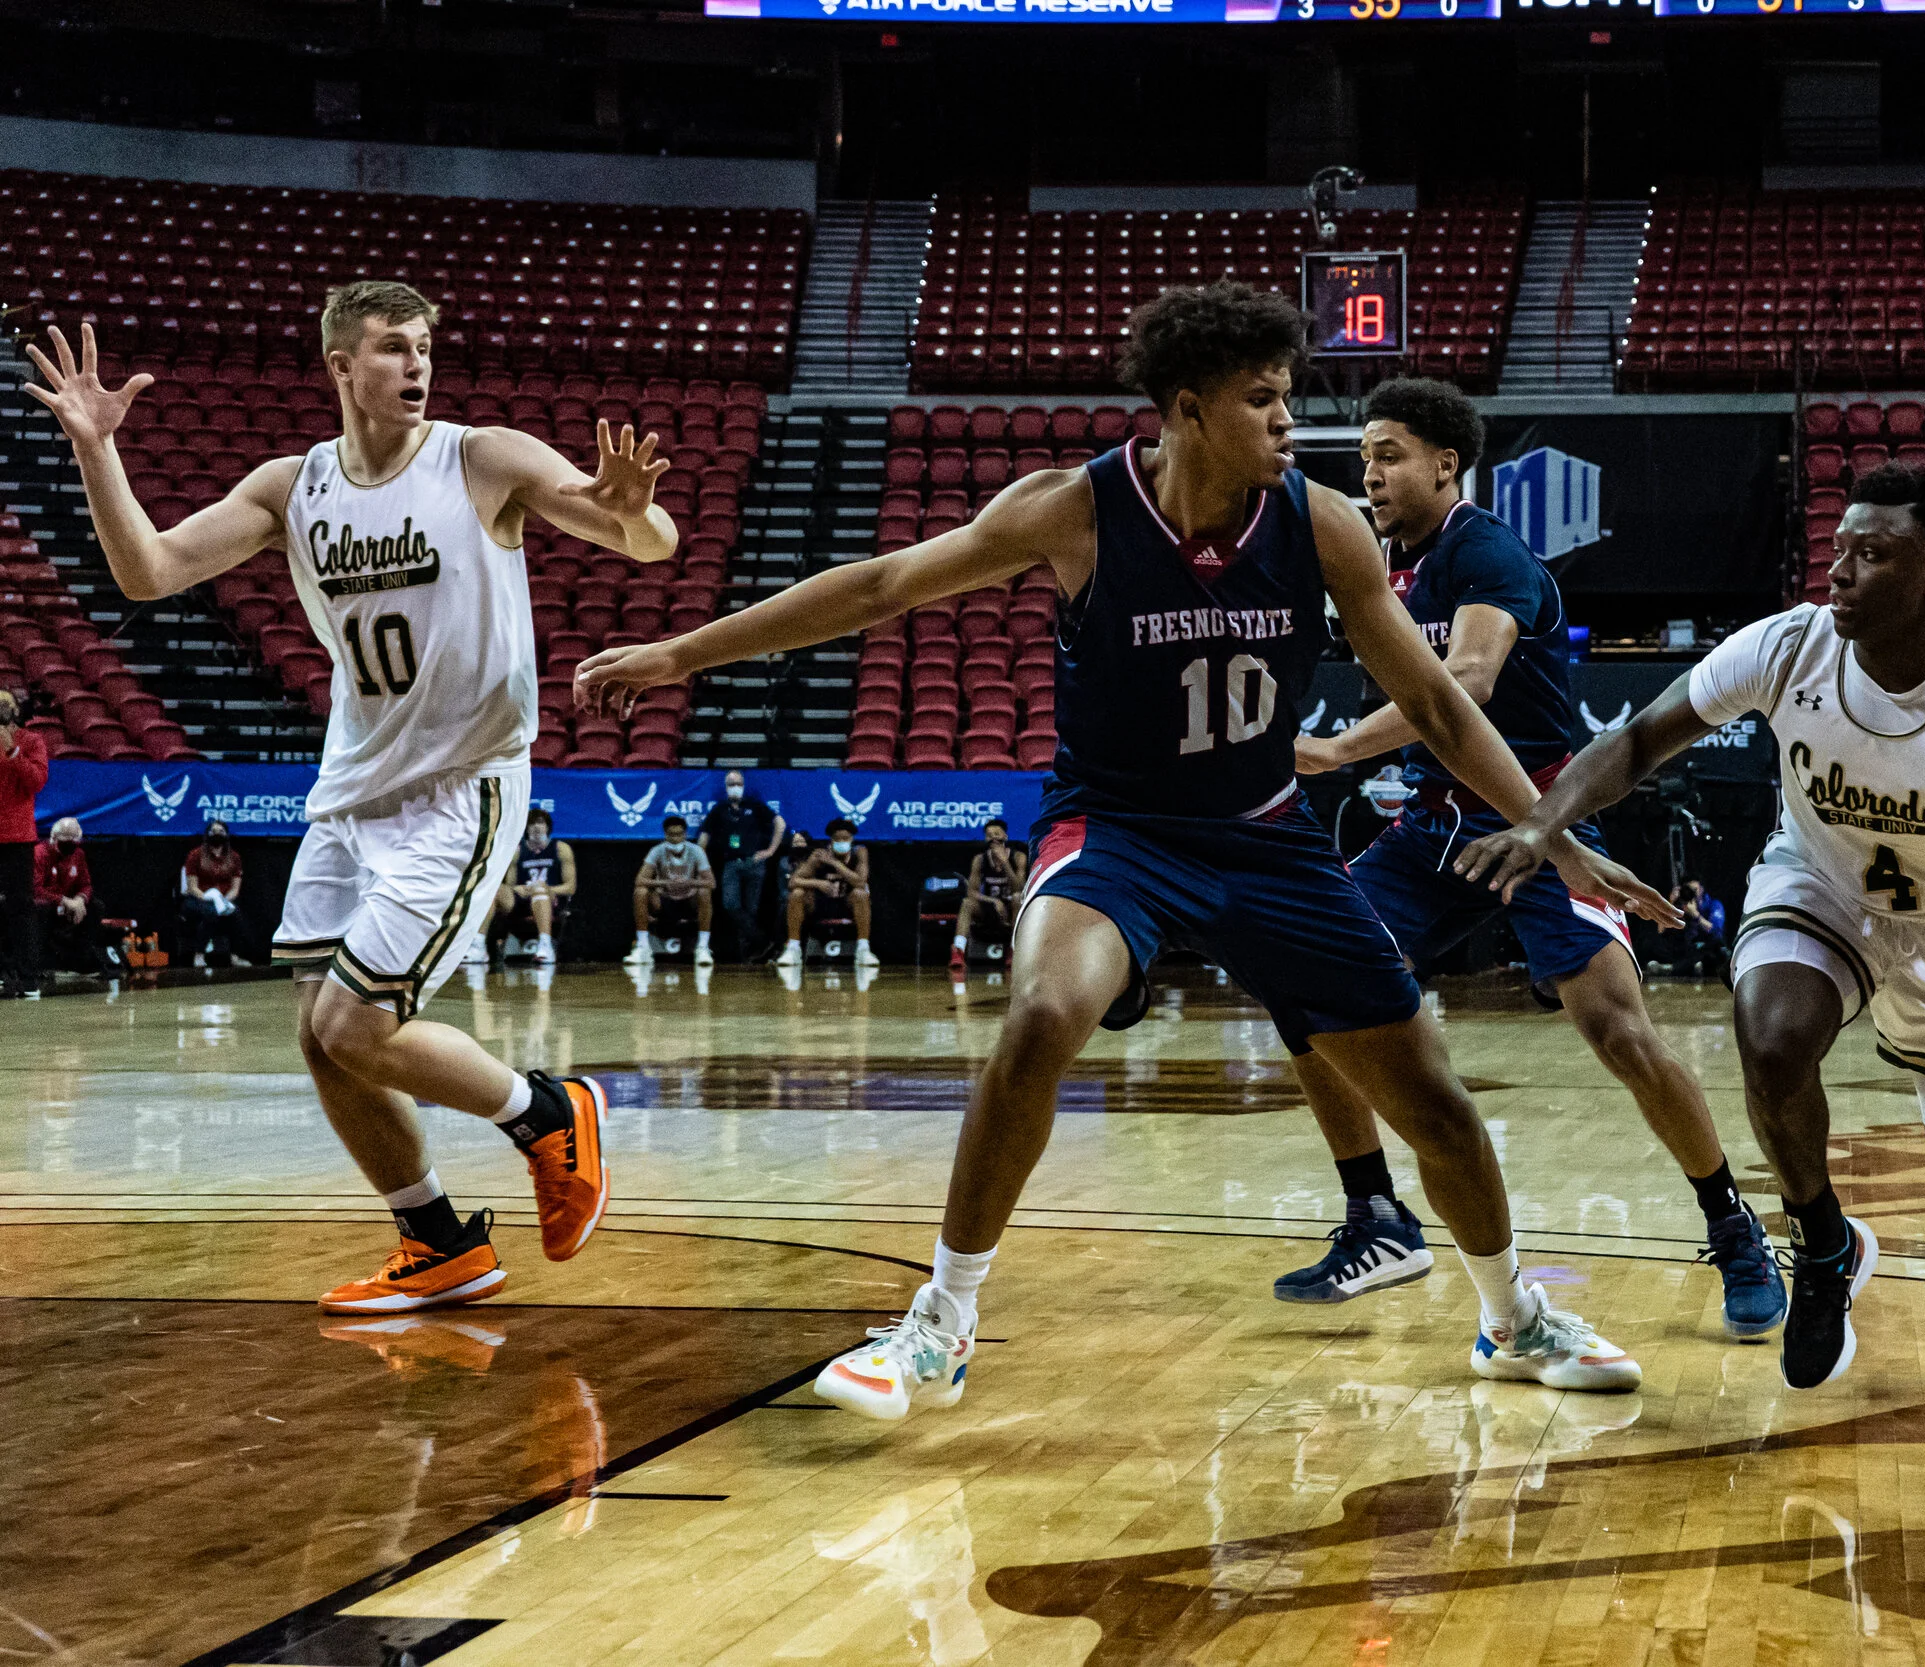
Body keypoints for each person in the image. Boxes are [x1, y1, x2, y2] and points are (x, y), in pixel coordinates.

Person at [580, 281, 1663, 1423]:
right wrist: (680, 655)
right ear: (1186, 410)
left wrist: (1553, 840)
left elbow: (1440, 706)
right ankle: (940, 1321)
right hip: (1119, 830)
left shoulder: (1322, 523)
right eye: (1264, 401)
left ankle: (1511, 1316)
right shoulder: (1074, 510)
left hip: (1265, 839)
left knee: (1435, 1105)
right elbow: (882, 586)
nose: (1291, 424)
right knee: (1047, 1010)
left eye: (1290, 398)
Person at [1459, 462, 1925, 1400]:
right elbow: (1638, 740)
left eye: (1873, 554)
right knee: (1771, 1036)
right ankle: (1822, 1241)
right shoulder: (1790, 646)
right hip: (1821, 884)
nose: (1839, 570)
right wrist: (1542, 820)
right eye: (1837, 548)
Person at [23, 291, 662, 1312]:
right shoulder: (293, 488)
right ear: (339, 364)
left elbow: (651, 540)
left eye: (426, 348)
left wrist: (625, 504)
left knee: (360, 1024)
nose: (417, 365)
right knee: (320, 1034)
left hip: (463, 787)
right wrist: (99, 450)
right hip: (352, 790)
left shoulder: (481, 458)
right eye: (394, 348)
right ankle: (438, 1238)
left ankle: (546, 1110)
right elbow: (147, 571)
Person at [1276, 376, 1780, 1330]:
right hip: (1436, 824)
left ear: (1444, 463)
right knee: (1304, 976)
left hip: (1540, 820)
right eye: (1364, 457)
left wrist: (1338, 747)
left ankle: (1733, 1222)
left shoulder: (1487, 550)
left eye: (1388, 455)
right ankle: (1376, 1212)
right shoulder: (1388, 566)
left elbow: (1465, 678)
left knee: (1618, 1032)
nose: (1370, 473)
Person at [699, 769, 783, 961]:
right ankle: (762, 940)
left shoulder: (755, 806)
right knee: (730, 905)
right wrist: (701, 860)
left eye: (738, 784)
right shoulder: (719, 809)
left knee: (752, 909)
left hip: (754, 861)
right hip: (730, 863)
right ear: (725, 787)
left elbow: (780, 823)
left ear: (744, 786)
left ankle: (747, 954)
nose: (735, 787)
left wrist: (770, 851)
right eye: (731, 784)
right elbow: (704, 837)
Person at [0, 690, 48, 998]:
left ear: (15, 710)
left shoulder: (31, 742)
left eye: (5, 704)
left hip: (17, 837)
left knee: (22, 907)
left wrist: (12, 753)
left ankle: (28, 975)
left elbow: (36, 782)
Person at [483, 807, 575, 966]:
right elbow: (511, 886)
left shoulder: (560, 848)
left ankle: (545, 946)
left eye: (540, 823)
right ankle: (478, 945)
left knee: (539, 890)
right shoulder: (517, 851)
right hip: (524, 901)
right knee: (495, 890)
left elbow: (570, 887)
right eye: (531, 824)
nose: (536, 827)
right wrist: (515, 889)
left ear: (548, 827)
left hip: (551, 900)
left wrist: (548, 889)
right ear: (525, 828)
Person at [778, 819, 876, 966]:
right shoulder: (819, 855)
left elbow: (860, 882)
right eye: (838, 839)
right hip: (820, 904)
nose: (842, 842)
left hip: (846, 904)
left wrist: (835, 863)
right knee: (797, 894)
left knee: (861, 894)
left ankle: (863, 950)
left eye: (846, 838)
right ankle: (793, 949)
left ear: (852, 839)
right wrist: (818, 883)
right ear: (831, 840)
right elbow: (793, 882)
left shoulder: (859, 852)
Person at [628, 814, 714, 964]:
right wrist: (664, 882)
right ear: (665, 835)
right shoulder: (657, 851)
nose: (675, 839)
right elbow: (639, 880)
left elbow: (711, 882)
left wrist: (689, 882)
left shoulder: (696, 851)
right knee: (640, 891)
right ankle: (642, 947)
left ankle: (702, 947)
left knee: (704, 892)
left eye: (679, 834)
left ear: (685, 834)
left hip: (688, 900)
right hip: (665, 900)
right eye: (671, 835)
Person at [949, 817, 1023, 974]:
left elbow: (1019, 888)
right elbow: (972, 891)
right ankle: (958, 951)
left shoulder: (1018, 857)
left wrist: (1005, 864)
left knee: (1017, 898)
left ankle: (1014, 950)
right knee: (967, 903)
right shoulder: (980, 860)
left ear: (1005, 837)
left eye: (997, 833)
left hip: (1011, 911)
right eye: (989, 835)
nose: (993, 837)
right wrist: (994, 901)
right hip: (989, 909)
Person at [181, 818, 248, 967]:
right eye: (213, 831)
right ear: (207, 834)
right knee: (210, 913)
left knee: (236, 914)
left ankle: (235, 957)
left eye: (221, 831)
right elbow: (192, 886)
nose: (217, 834)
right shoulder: (195, 855)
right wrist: (208, 898)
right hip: (198, 898)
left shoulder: (234, 857)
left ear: (227, 835)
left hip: (224, 899)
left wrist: (223, 901)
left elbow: (235, 888)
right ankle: (199, 955)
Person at [34, 815, 97, 974]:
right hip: (48, 904)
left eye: (73, 842)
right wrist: (63, 901)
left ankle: (81, 962)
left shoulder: (78, 854)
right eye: (65, 841)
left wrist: (80, 899)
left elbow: (85, 884)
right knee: (40, 907)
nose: (70, 845)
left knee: (96, 907)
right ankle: (41, 965)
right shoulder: (40, 853)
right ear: (54, 838)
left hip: (70, 904)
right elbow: (35, 889)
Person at [1657, 878, 1726, 979]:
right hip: (1687, 948)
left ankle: (1671, 968)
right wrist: (1670, 904)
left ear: (1702, 889)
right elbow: (1660, 930)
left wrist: (1695, 915)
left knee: (1713, 948)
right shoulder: (1680, 906)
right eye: (1688, 890)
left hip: (1707, 946)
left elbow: (1716, 931)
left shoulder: (1714, 904)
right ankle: (1691, 966)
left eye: (1694, 890)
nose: (1691, 893)